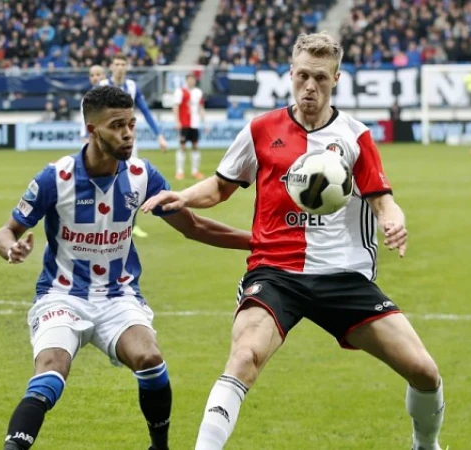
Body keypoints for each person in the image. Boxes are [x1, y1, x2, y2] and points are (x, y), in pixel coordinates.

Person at [142, 32, 446, 450]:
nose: (309, 86)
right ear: (290, 73)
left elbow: (383, 201)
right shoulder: (261, 130)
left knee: (425, 372)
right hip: (276, 272)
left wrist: (395, 222)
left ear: (336, 78)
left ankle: (425, 446)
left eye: (320, 78)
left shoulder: (356, 138)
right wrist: (184, 195)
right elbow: (220, 187)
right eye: (302, 75)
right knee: (244, 356)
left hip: (343, 276)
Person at [0, 86, 251, 450]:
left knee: (150, 358)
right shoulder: (55, 178)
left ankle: (158, 447)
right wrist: (12, 249)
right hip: (62, 295)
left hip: (118, 296)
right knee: (52, 369)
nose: (128, 133)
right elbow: (6, 231)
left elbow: (194, 226)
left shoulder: (142, 176)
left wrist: (259, 241)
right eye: (117, 125)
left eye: (131, 124)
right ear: (91, 130)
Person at [100, 54, 167, 238]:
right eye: (117, 64)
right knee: (105, 181)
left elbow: (145, 111)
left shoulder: (132, 87)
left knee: (131, 183)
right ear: (111, 67)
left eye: (123, 64)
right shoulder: (102, 87)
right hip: (107, 143)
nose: (120, 67)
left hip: (128, 142)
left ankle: (131, 224)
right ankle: (102, 222)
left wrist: (159, 135)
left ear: (127, 67)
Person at [172, 73, 206, 180]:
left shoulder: (198, 92)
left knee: (195, 146)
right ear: (186, 80)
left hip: (195, 124)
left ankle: (195, 171)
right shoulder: (180, 91)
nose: (192, 81)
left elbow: (201, 108)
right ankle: (179, 172)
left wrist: (204, 122)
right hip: (184, 124)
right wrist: (177, 121)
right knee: (182, 146)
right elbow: (176, 107)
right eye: (190, 79)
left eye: (193, 79)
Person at [80, 64, 106, 140]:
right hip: (91, 138)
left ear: (104, 76)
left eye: (98, 75)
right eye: (92, 75)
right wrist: (85, 136)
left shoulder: (112, 94)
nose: (95, 78)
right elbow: (85, 119)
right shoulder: (86, 98)